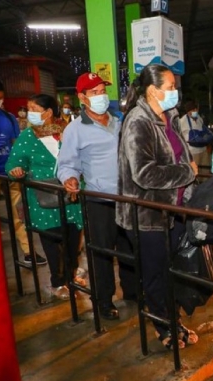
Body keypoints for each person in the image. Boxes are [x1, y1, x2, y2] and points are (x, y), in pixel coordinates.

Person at [116, 63, 199, 349]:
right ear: (152, 90)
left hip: (174, 212)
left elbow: (180, 155)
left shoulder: (171, 117)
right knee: (154, 276)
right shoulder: (138, 121)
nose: (176, 92)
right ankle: (163, 329)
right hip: (147, 215)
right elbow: (144, 173)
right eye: (171, 87)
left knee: (169, 272)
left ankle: (173, 319)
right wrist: (187, 172)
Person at [57, 72, 137, 320]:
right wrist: (69, 178)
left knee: (131, 249)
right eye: (95, 92)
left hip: (128, 198)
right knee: (101, 254)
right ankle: (103, 301)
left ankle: (134, 293)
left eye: (103, 91)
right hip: (99, 200)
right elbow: (66, 164)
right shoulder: (75, 130)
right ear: (82, 98)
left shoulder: (120, 121)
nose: (101, 96)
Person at [5, 94, 83, 300]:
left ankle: (71, 276)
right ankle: (57, 283)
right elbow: (12, 162)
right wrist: (16, 170)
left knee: (73, 241)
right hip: (43, 200)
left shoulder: (68, 131)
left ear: (48, 112)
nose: (29, 113)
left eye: (34, 109)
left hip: (71, 198)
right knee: (51, 243)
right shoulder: (27, 137)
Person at [0, 77, 47, 266]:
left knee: (20, 215)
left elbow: (16, 146)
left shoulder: (8, 118)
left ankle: (29, 252)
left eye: (0, 98)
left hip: (10, 174)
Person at [179, 100, 211, 167]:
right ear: (188, 111)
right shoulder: (183, 121)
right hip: (192, 151)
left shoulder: (199, 118)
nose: (195, 111)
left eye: (196, 109)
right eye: (193, 109)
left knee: (205, 171)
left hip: (203, 150)